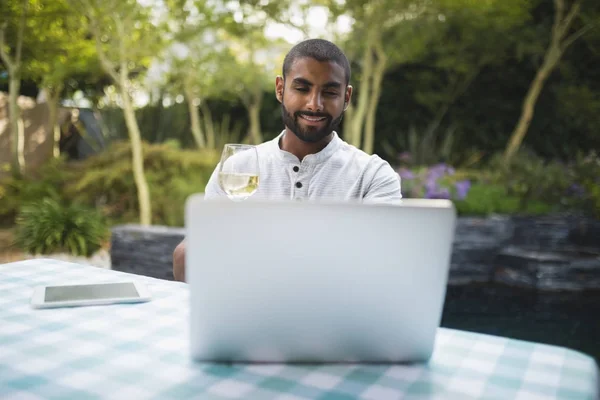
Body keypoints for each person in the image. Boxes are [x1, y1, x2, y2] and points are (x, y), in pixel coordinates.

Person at [172, 38, 401, 282]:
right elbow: (191, 256)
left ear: (346, 97)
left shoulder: (373, 175)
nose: (314, 104)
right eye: (302, 89)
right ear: (280, 89)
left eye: (330, 92)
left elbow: (378, 267)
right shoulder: (237, 167)